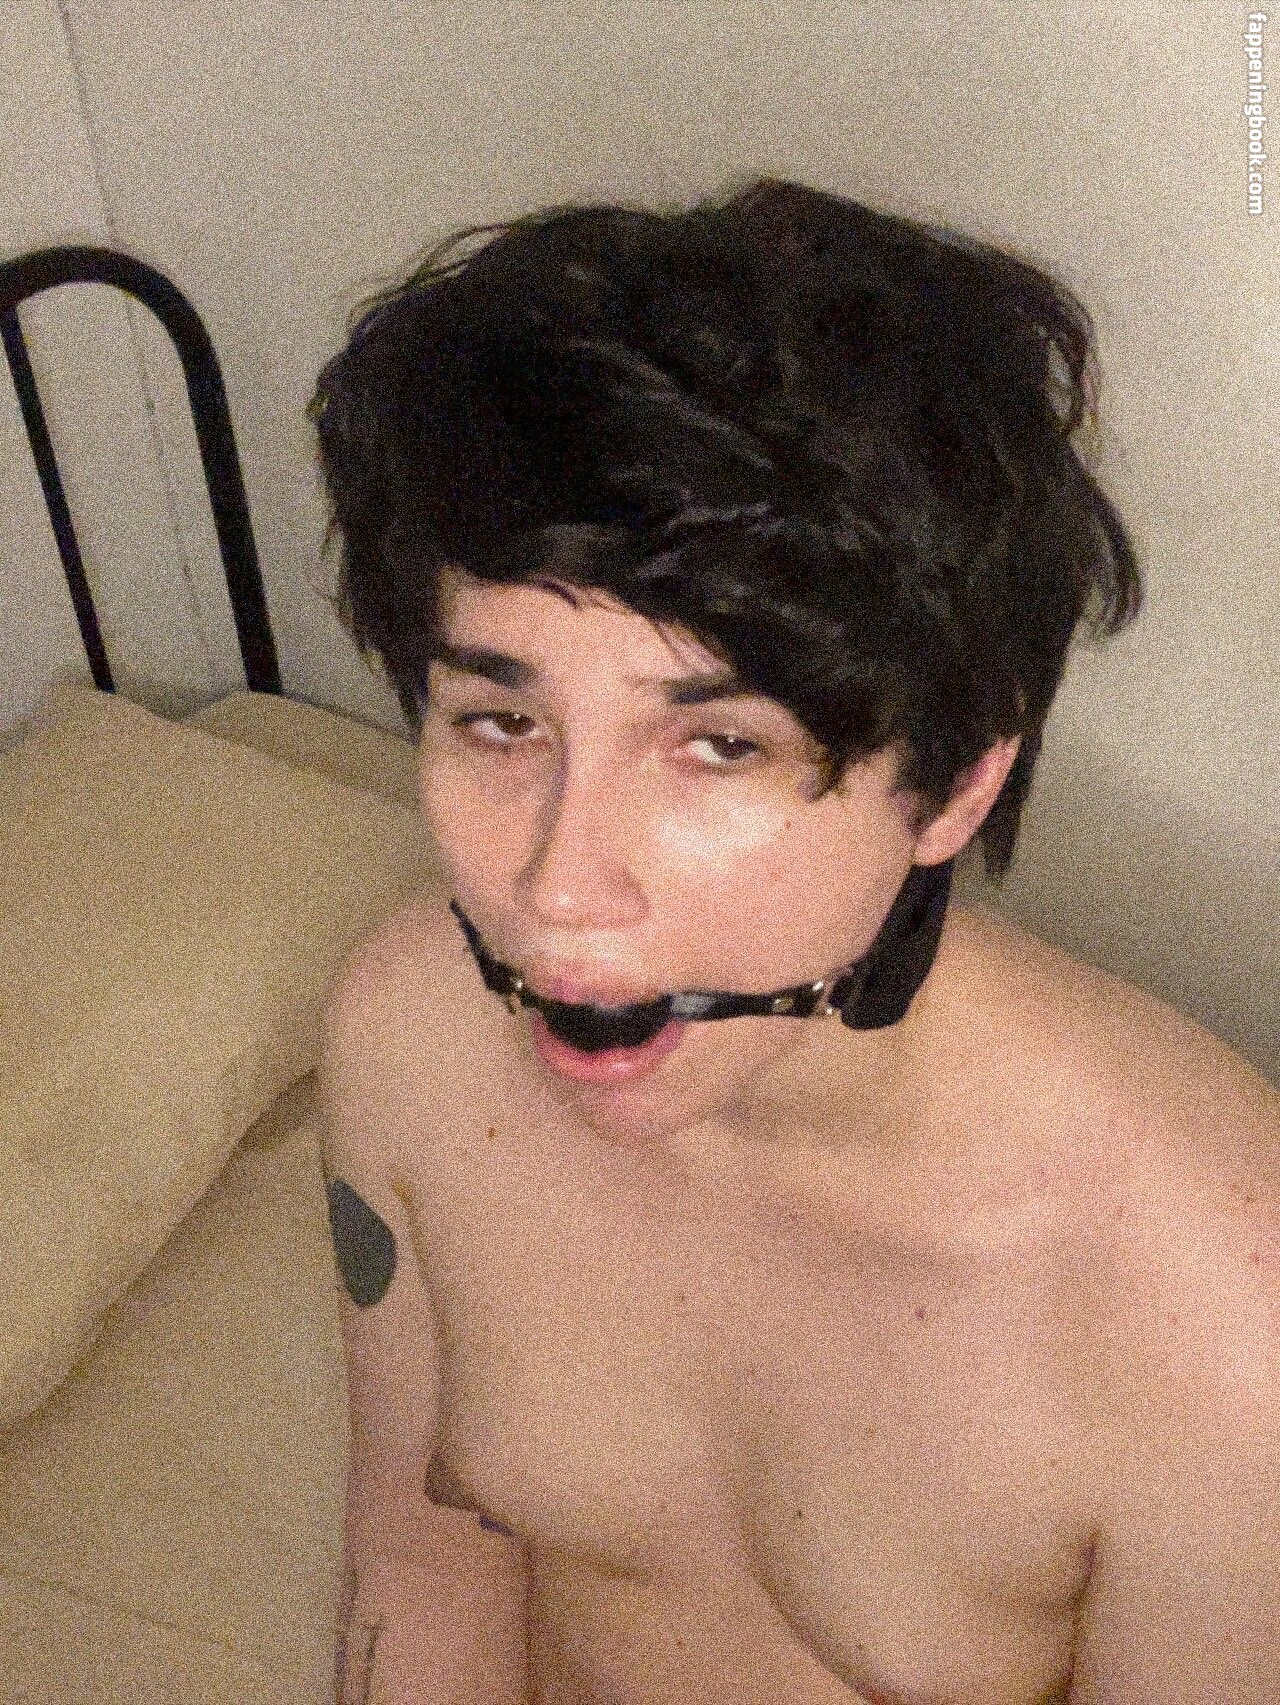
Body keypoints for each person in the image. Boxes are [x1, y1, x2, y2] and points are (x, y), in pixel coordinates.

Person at [310, 177, 1280, 1703]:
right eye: (500, 720)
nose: (557, 886)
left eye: (720, 746)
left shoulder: (1218, 1306)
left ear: (954, 784)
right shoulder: (404, 1031)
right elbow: (423, 1564)